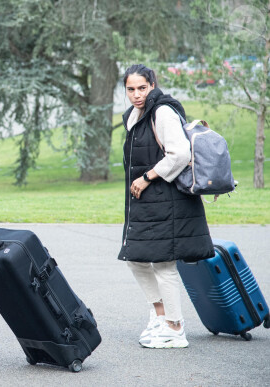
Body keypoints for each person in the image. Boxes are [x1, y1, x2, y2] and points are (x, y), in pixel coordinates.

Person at [118, 64, 214, 349]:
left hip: (167, 200)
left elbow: (181, 153)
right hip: (146, 202)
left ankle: (175, 328)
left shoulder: (162, 112)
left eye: (142, 88)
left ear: (153, 85)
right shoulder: (135, 115)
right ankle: (161, 315)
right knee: (136, 258)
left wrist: (147, 177)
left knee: (163, 263)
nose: (136, 94)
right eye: (130, 89)